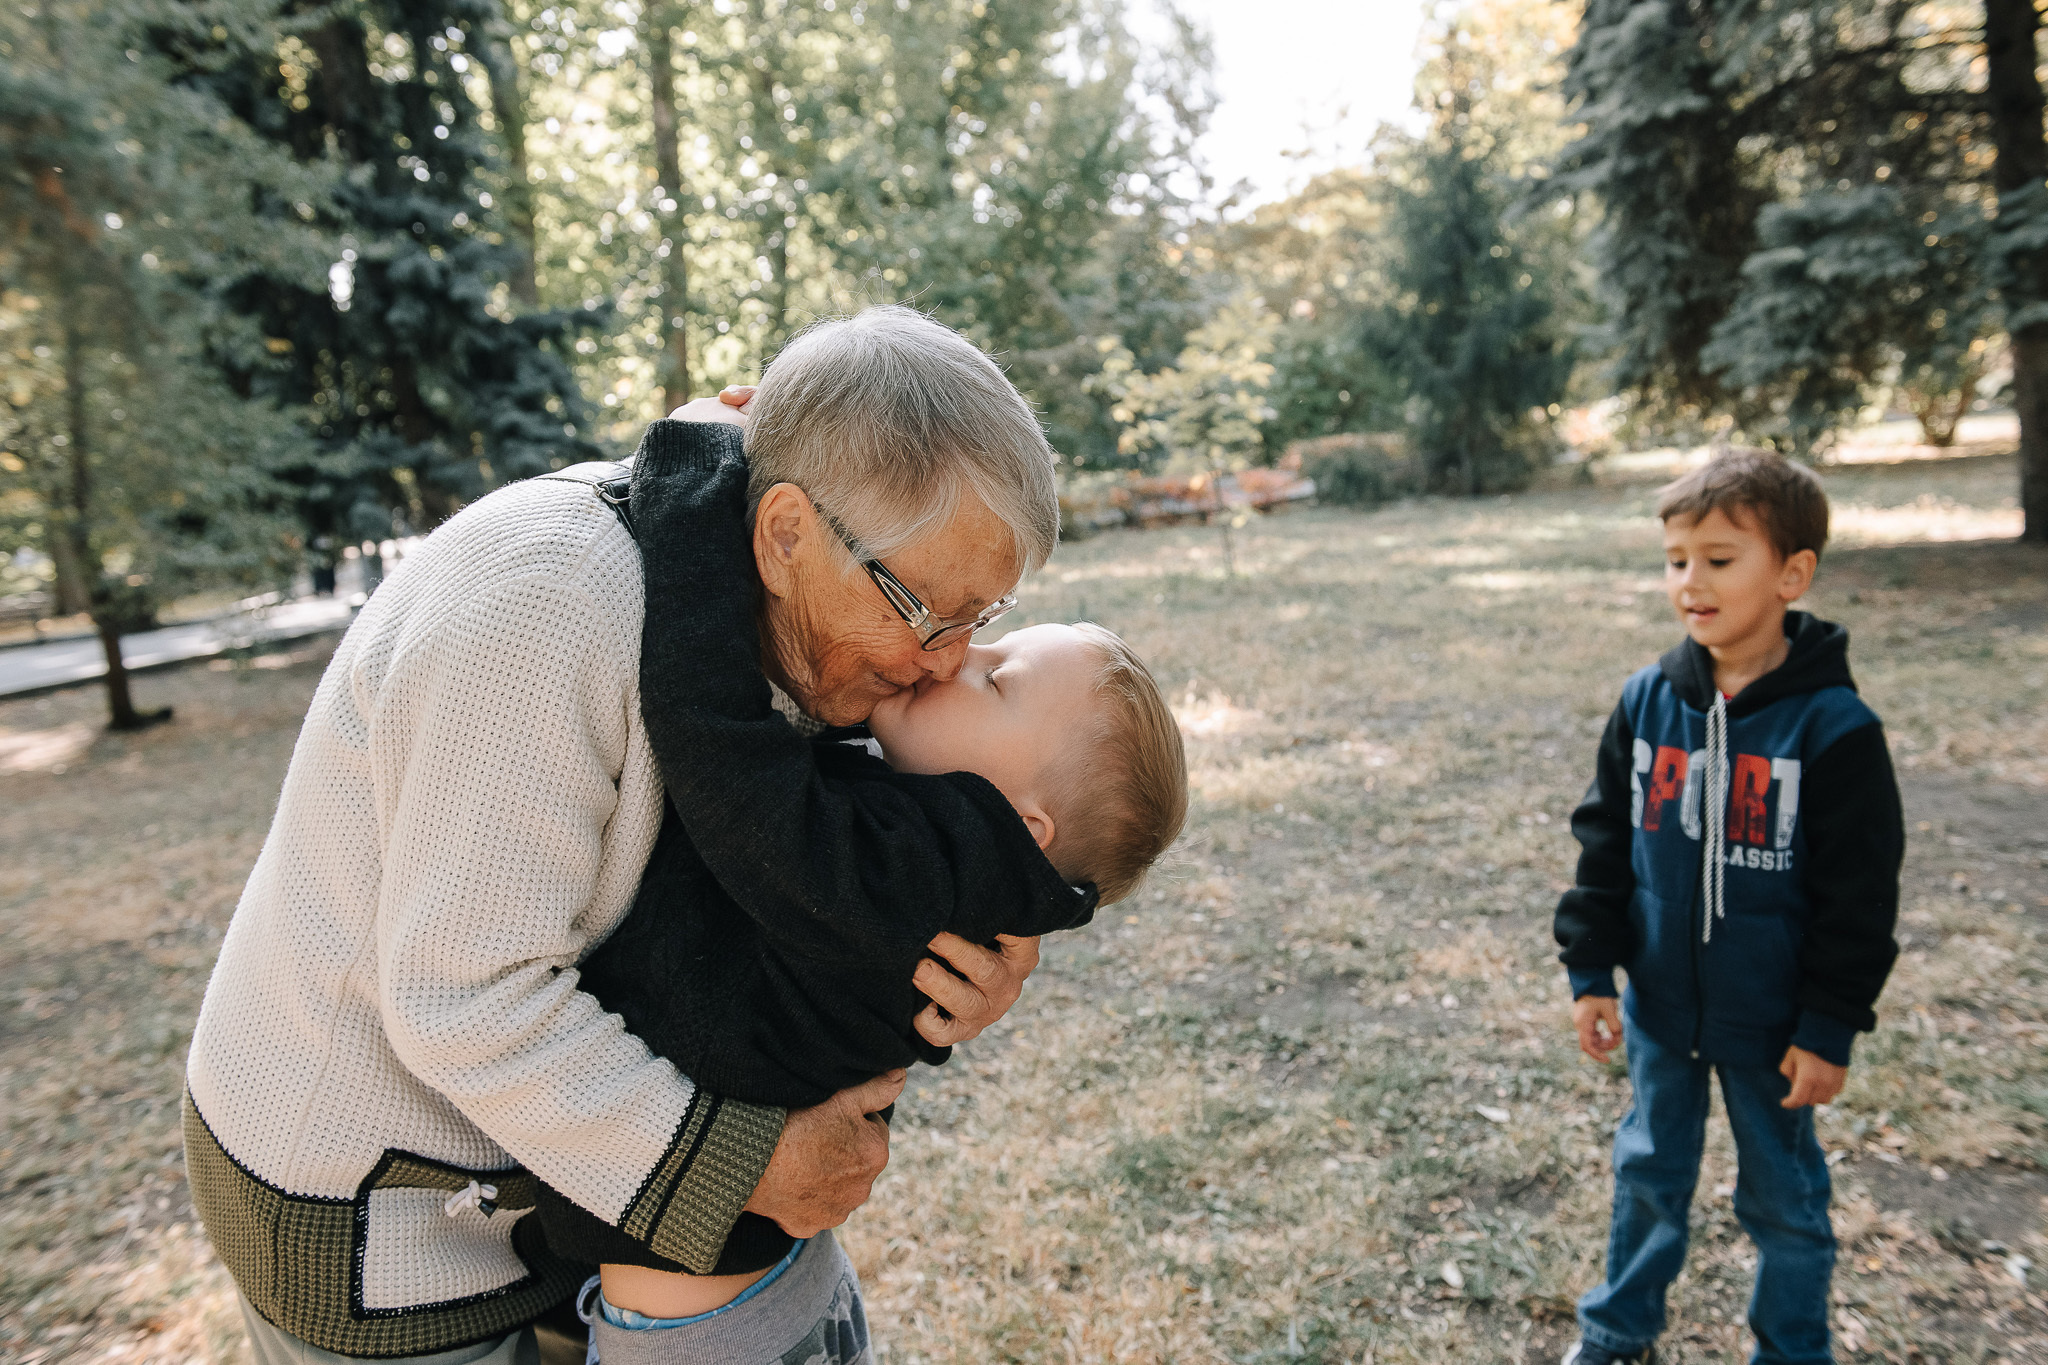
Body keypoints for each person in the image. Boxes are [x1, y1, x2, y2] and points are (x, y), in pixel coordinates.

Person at [183, 307, 1076, 1365]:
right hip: (381, 1214)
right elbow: (462, 997)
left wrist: (942, 955)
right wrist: (744, 1164)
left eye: (983, 616)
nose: (946, 661)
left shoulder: (788, 616)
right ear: (784, 532)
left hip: (557, 1180)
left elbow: (782, 872)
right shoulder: (541, 608)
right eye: (925, 608)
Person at [528, 422, 1186, 1362]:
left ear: (1026, 826)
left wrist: (693, 489)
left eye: (995, 682)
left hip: (705, 1327)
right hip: (751, 1282)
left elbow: (723, 752)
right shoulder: (944, 864)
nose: (956, 657)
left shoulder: (916, 875)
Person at [1552, 449, 1904, 1365]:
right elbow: (1605, 844)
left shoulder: (1834, 729)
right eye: (1677, 559)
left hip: (1774, 1025)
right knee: (1648, 1177)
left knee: (1783, 1201)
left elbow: (1860, 898)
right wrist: (1592, 969)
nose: (1689, 582)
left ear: (1792, 573)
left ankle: (1792, 1349)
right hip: (1662, 1008)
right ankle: (1617, 1332)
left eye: (1719, 558)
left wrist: (1829, 1025)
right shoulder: (1647, 701)